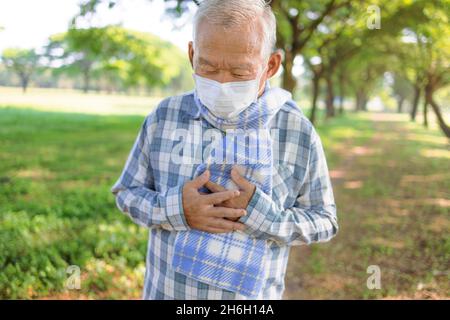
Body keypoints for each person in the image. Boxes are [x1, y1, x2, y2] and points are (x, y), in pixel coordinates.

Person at [111, 0, 338, 300]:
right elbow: (126, 192)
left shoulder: (297, 132)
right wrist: (177, 209)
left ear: (270, 66)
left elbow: (324, 220)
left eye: (239, 72)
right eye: (208, 67)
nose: (221, 83)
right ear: (192, 55)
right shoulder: (164, 117)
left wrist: (262, 216)